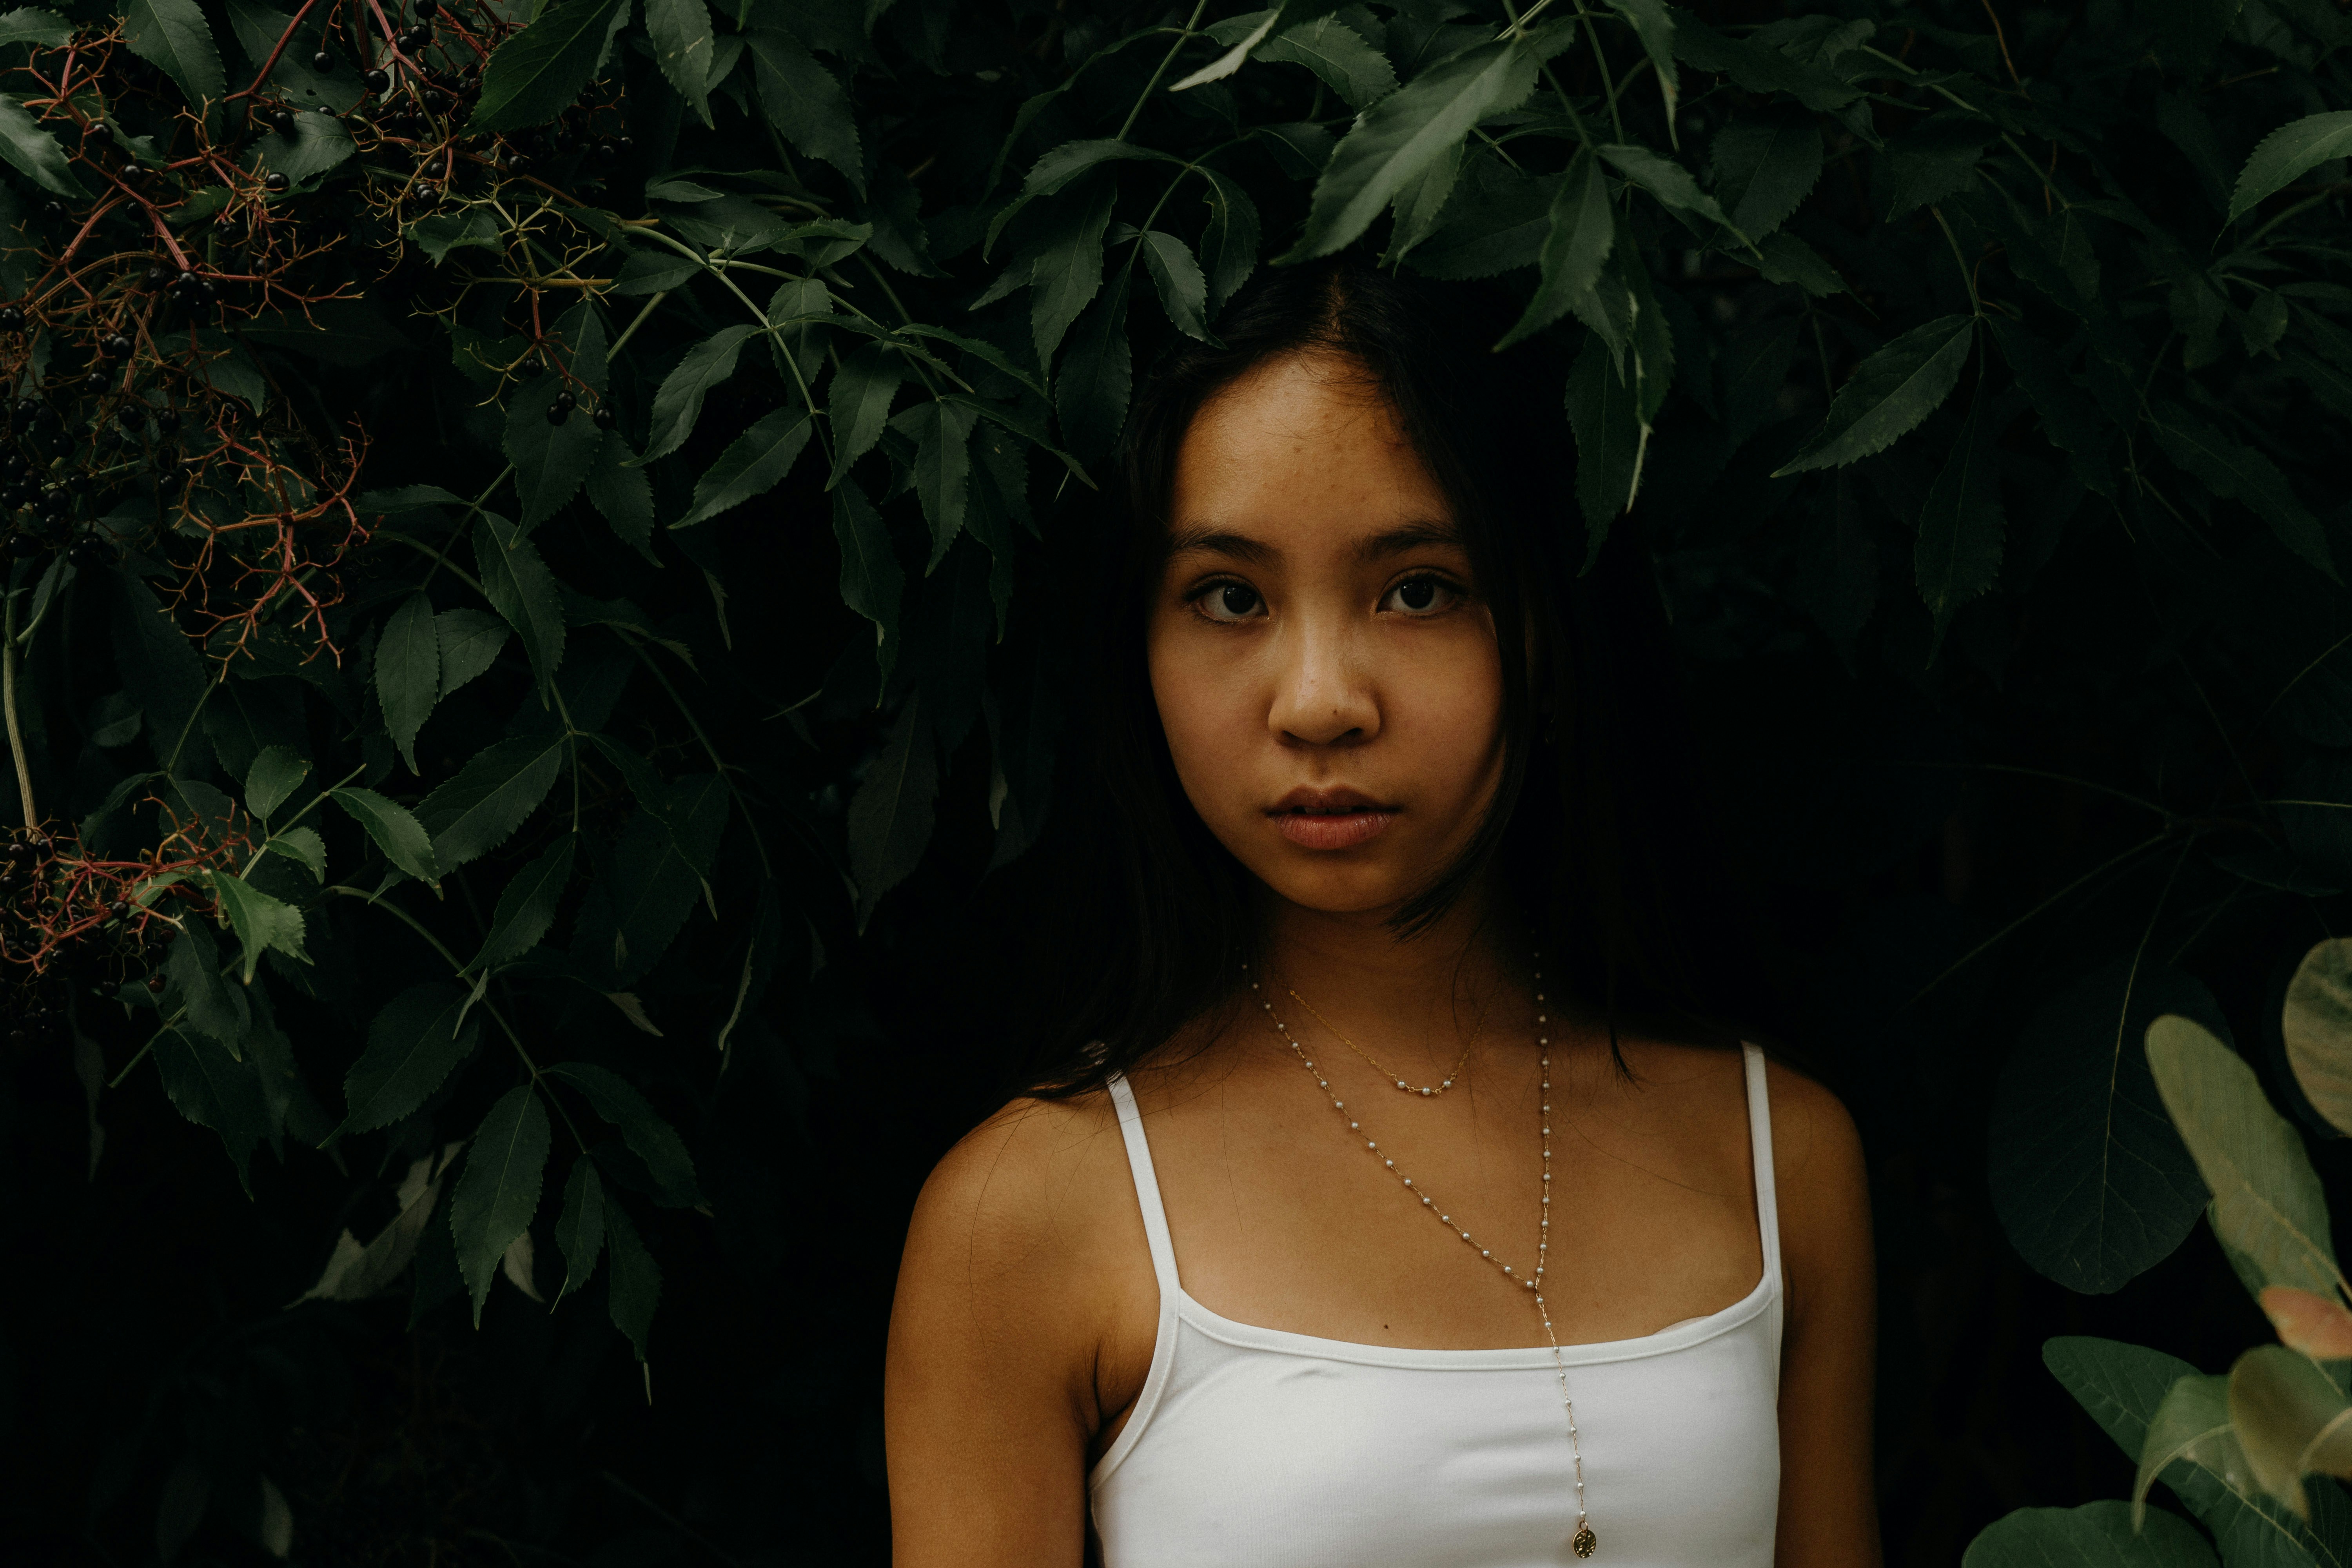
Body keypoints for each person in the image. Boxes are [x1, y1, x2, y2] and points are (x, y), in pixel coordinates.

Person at [883, 260, 1880, 1567]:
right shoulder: (1028, 1212)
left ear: (1547, 620)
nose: (1317, 702)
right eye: (1230, 599)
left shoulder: (1773, 1154)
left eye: (1417, 589)